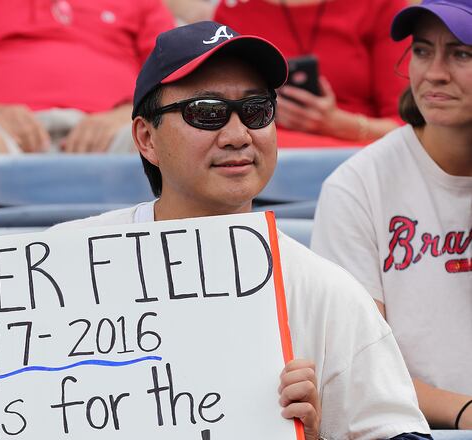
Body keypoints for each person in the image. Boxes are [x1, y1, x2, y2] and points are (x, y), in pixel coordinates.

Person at [52, 20, 431, 439]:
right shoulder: (64, 264)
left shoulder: (327, 291)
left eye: (256, 110)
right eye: (207, 113)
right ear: (146, 139)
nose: (238, 135)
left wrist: (317, 437)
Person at [311, 0, 471, 435]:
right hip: (409, 429)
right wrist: (464, 411)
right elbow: (357, 363)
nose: (434, 73)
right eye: (421, 51)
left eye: (462, 54)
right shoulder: (358, 186)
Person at [0, 0, 175, 158]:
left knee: (167, 140)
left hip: (114, 134)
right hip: (0, 136)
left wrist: (128, 115)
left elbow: (175, 80)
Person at [165, 0, 410, 147]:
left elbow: (410, 126)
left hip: (353, 159)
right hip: (256, 159)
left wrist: (337, 124)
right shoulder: (234, 11)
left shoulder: (380, 6)